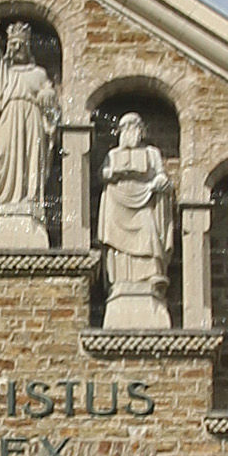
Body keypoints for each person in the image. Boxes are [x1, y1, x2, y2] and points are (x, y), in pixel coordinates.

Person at [95, 110, 175, 327]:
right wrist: (115, 172)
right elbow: (102, 174)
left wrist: (160, 181)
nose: (131, 131)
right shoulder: (113, 154)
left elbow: (161, 174)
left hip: (145, 199)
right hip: (117, 202)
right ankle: (120, 284)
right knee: (119, 249)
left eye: (135, 126)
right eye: (126, 127)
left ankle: (150, 282)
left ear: (141, 131)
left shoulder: (151, 153)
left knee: (150, 234)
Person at [0, 20, 57, 239]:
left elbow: (49, 97)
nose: (17, 48)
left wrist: (47, 96)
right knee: (3, 158)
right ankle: (4, 200)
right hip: (7, 119)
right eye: (13, 44)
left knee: (31, 159)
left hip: (32, 119)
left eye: (21, 44)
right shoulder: (2, 71)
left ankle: (30, 201)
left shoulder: (39, 73)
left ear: (28, 47)